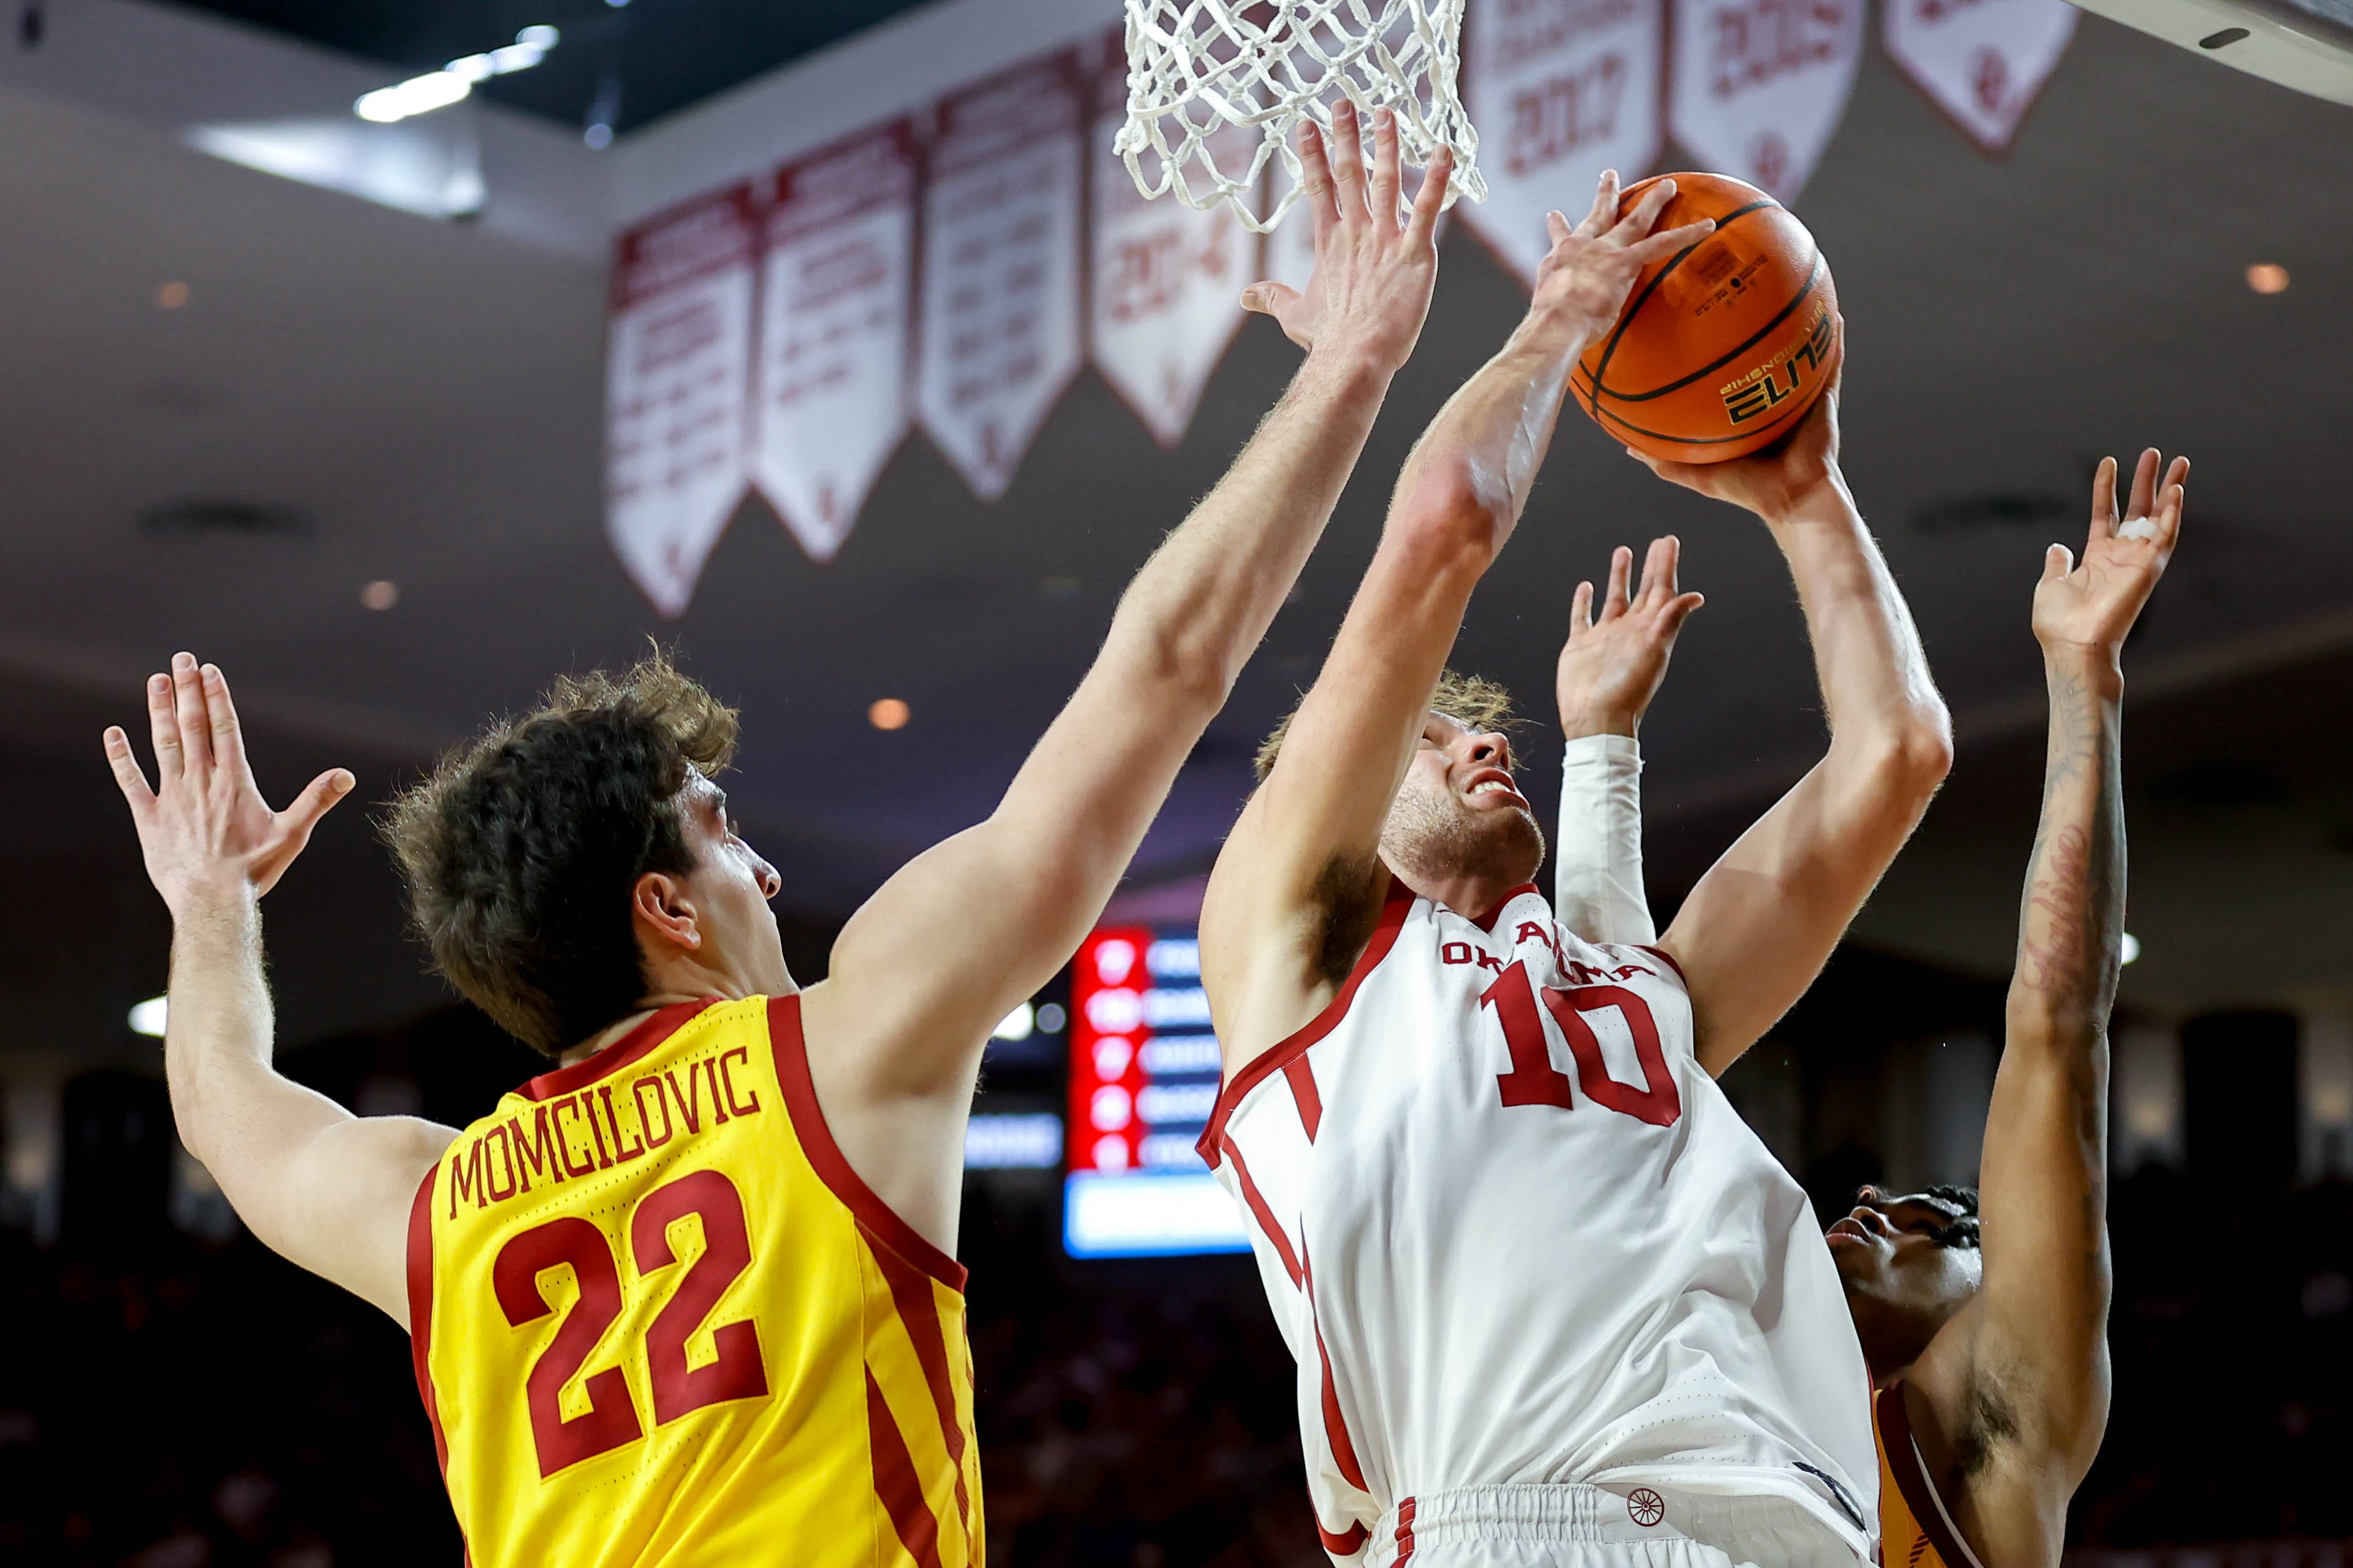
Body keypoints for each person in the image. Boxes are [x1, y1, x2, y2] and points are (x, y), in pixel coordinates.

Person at [101, 104, 1449, 1568]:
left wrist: (210, 903)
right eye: (722, 834)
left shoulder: (433, 1211)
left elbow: (224, 1107)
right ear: (665, 910)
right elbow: (1168, 669)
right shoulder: (840, 1052)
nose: (768, 868)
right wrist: (1350, 368)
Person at [1197, 156, 1954, 1567]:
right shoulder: (1292, 966)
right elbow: (1443, 534)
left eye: (1485, 738)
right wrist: (1556, 323)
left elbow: (1899, 754)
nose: (1482, 750)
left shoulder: (1640, 1001)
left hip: (1796, 1534)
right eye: (1431, 745)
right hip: (1523, 1524)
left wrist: (1805, 493)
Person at [1550, 453, 2188, 1567]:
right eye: (1909, 1204)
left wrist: (2084, 678)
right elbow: (1609, 1089)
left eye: (1940, 1224)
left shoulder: (1983, 1432)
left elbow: (2054, 1028)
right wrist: (1600, 746)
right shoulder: (1715, 1393)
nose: (1875, 1208)